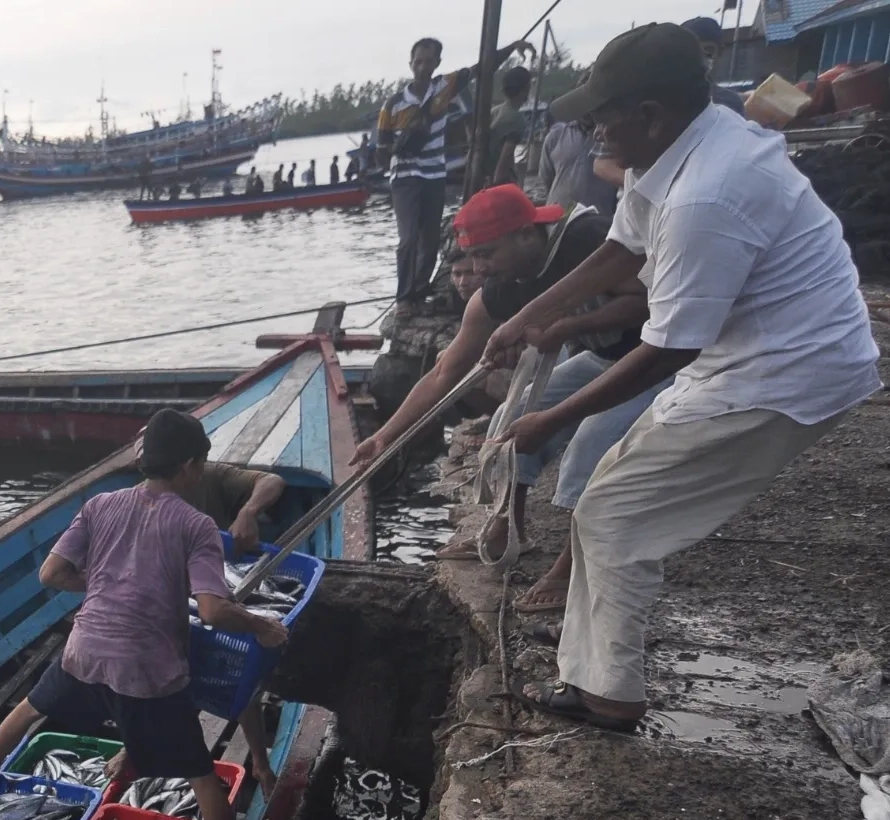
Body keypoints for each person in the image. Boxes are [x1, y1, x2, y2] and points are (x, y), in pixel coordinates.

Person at [485, 23, 879, 731]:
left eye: (602, 117)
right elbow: (622, 250)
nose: (593, 131)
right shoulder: (670, 151)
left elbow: (668, 350)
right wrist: (527, 317)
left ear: (650, 115)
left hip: (790, 371)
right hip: (745, 352)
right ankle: (588, 662)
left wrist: (552, 418)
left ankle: (610, 695)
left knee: (616, 512)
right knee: (607, 497)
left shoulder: (706, 197)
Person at [0, 410, 286, 820]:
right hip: (147, 672)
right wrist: (262, 626)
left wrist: (105, 587)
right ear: (190, 465)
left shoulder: (100, 504)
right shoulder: (195, 525)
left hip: (83, 652)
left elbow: (51, 574)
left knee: (27, 710)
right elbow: (213, 611)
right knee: (201, 774)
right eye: (202, 462)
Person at [350, 182, 659, 609]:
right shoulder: (499, 288)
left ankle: (573, 566)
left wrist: (565, 328)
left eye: (487, 254)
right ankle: (506, 528)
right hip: (604, 359)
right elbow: (444, 372)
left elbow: (648, 302)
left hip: (659, 360)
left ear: (526, 235)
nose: (480, 268)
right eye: (473, 256)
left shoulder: (589, 239)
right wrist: (385, 436)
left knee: (592, 444)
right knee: (505, 426)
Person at [377, 38, 474, 301]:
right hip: (405, 177)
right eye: (418, 62)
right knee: (408, 238)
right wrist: (401, 148)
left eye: (428, 62)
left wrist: (514, 47)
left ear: (437, 63)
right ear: (410, 64)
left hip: (435, 175)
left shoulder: (445, 87)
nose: (422, 67)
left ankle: (420, 289)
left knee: (430, 239)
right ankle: (404, 298)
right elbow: (381, 152)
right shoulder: (393, 104)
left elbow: (480, 68)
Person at [540, 117, 620, 217]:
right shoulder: (556, 136)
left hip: (599, 219)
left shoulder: (613, 136)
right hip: (557, 219)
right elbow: (546, 179)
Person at [683, 16, 747, 114]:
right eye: (693, 51)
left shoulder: (731, 103)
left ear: (720, 52)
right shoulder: (665, 100)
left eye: (708, 50)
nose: (701, 58)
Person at [487, 66, 533, 185]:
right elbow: (506, 156)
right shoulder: (516, 119)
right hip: (500, 181)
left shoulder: (494, 111)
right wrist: (497, 184)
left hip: (485, 176)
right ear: (525, 89)